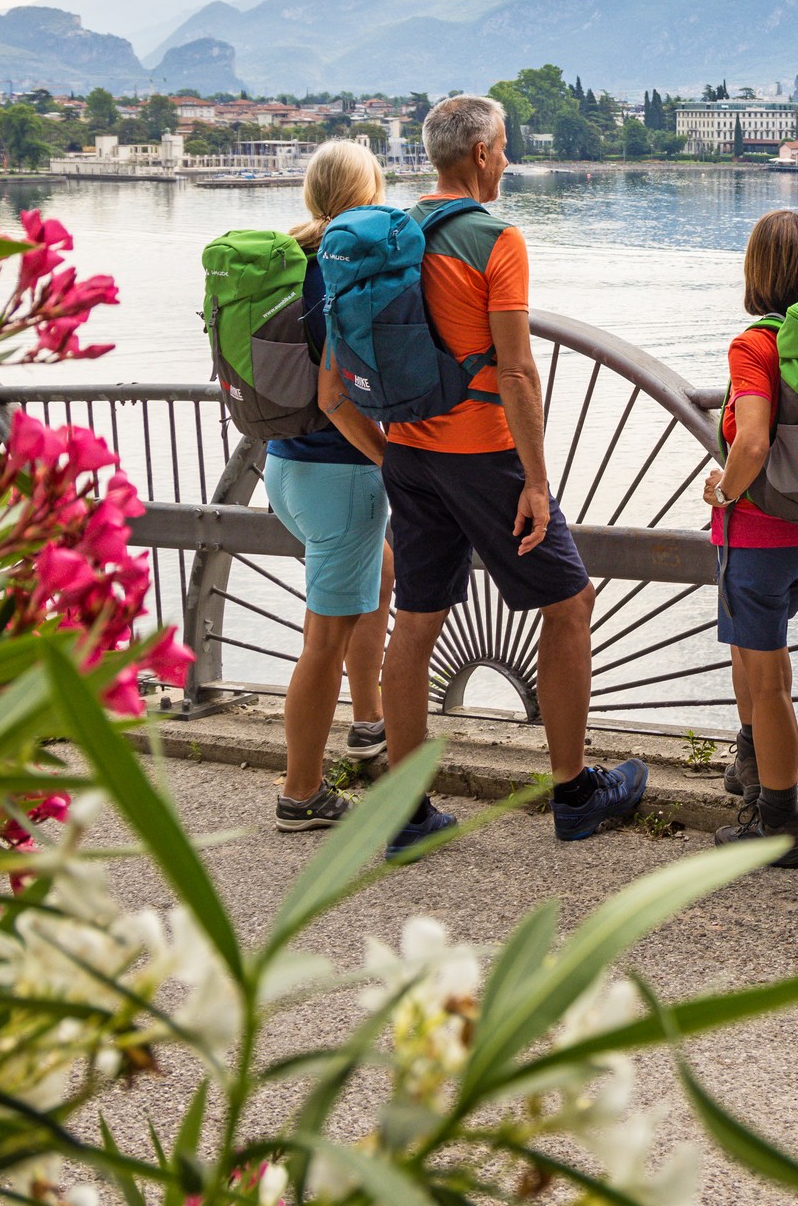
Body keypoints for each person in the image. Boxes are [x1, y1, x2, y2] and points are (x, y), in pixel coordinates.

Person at [378, 94, 647, 856]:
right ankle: (573, 793)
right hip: (481, 453)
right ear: (483, 154)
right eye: (503, 145)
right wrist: (535, 479)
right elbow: (518, 370)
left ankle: (404, 813)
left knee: (418, 621)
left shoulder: (394, 230)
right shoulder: (496, 239)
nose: (506, 157)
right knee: (570, 603)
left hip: (408, 447)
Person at [700, 211, 798, 865]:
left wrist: (724, 491)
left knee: (770, 681)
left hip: (760, 540)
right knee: (751, 656)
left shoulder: (755, 345)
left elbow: (753, 440)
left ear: (755, 272)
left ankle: (780, 825)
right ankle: (751, 769)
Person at [268, 139, 397, 831]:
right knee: (322, 641)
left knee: (377, 573)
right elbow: (338, 390)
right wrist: (388, 459)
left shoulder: (292, 260)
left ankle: (370, 720)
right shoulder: (344, 272)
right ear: (367, 196)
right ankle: (302, 792)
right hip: (338, 474)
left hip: (285, 466)